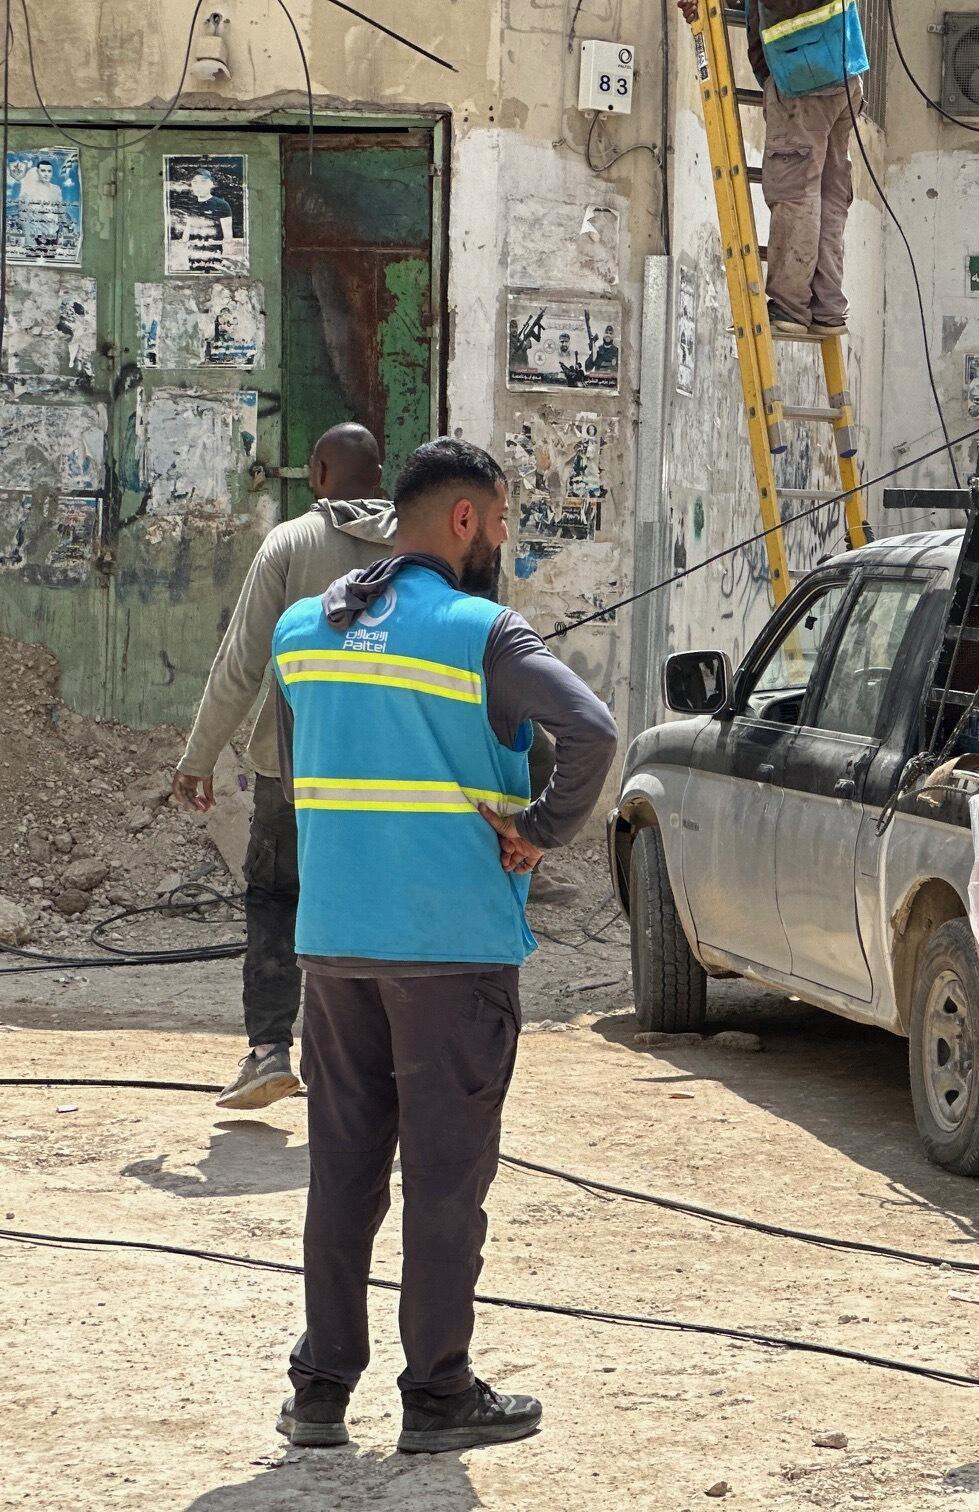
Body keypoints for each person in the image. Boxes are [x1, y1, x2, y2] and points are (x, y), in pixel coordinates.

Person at [271, 438, 618, 1454]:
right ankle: (438, 1393)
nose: (503, 541)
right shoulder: (484, 632)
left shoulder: (307, 629)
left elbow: (305, 776)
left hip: (334, 943)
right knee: (444, 1178)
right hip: (453, 948)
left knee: (341, 1170)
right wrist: (540, 831)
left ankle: (321, 1392)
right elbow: (591, 732)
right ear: (464, 519)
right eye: (502, 521)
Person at [176, 422, 394, 1111]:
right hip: (396, 775)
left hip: (293, 769)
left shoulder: (292, 543)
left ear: (320, 472)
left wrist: (199, 756)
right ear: (378, 476)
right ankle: (366, 1066)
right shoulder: (416, 550)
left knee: (277, 902)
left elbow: (243, 662)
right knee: (371, 910)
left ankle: (270, 1050)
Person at [680, 0, 870, 338]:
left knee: (795, 193)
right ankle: (827, 308)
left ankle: (790, 305)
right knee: (829, 196)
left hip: (805, 78)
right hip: (840, 71)